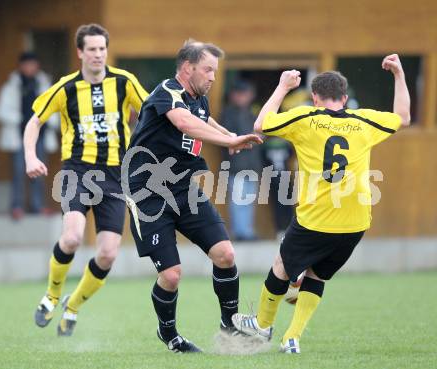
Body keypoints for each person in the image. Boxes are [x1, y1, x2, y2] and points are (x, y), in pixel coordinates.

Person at [231, 54, 410, 354]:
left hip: (315, 219)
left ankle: (262, 325)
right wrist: (399, 75)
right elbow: (403, 117)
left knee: (281, 267)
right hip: (355, 222)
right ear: (344, 97)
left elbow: (261, 124)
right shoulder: (364, 121)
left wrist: (283, 86)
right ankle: (292, 338)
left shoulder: (305, 119)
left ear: (315, 97)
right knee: (318, 275)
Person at [124, 39, 262, 353]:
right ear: (188, 68)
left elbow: (202, 118)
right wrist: (229, 138)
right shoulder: (167, 91)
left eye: (215, 69)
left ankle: (230, 327)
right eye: (208, 69)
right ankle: (170, 335)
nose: (214, 76)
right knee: (172, 275)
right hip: (148, 194)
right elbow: (185, 121)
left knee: (226, 254)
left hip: (184, 189)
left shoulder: (199, 97)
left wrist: (229, 137)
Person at [24, 24, 148, 336]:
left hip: (115, 176)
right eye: (91, 49)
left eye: (102, 49)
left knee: (107, 253)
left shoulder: (124, 82)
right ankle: (52, 295)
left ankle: (73, 305)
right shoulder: (66, 88)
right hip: (76, 171)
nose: (97, 54)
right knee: (72, 237)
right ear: (80, 52)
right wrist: (30, 156)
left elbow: (152, 112)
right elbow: (34, 122)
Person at [0, 52, 58, 220]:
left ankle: (38, 206)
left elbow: (55, 108)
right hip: (18, 138)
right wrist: (21, 119)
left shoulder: (44, 83)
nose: (30, 68)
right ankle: (17, 206)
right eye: (27, 64)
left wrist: (52, 122)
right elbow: (1, 111)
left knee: (39, 173)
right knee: (18, 172)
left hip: (41, 137)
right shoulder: (12, 85)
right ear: (21, 66)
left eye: (33, 64)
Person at [221, 80, 261, 241]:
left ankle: (247, 231)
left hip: (251, 165)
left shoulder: (252, 113)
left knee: (249, 199)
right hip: (235, 165)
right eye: (242, 94)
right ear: (234, 95)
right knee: (238, 199)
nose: (245, 97)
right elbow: (230, 138)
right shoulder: (228, 114)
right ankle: (240, 232)